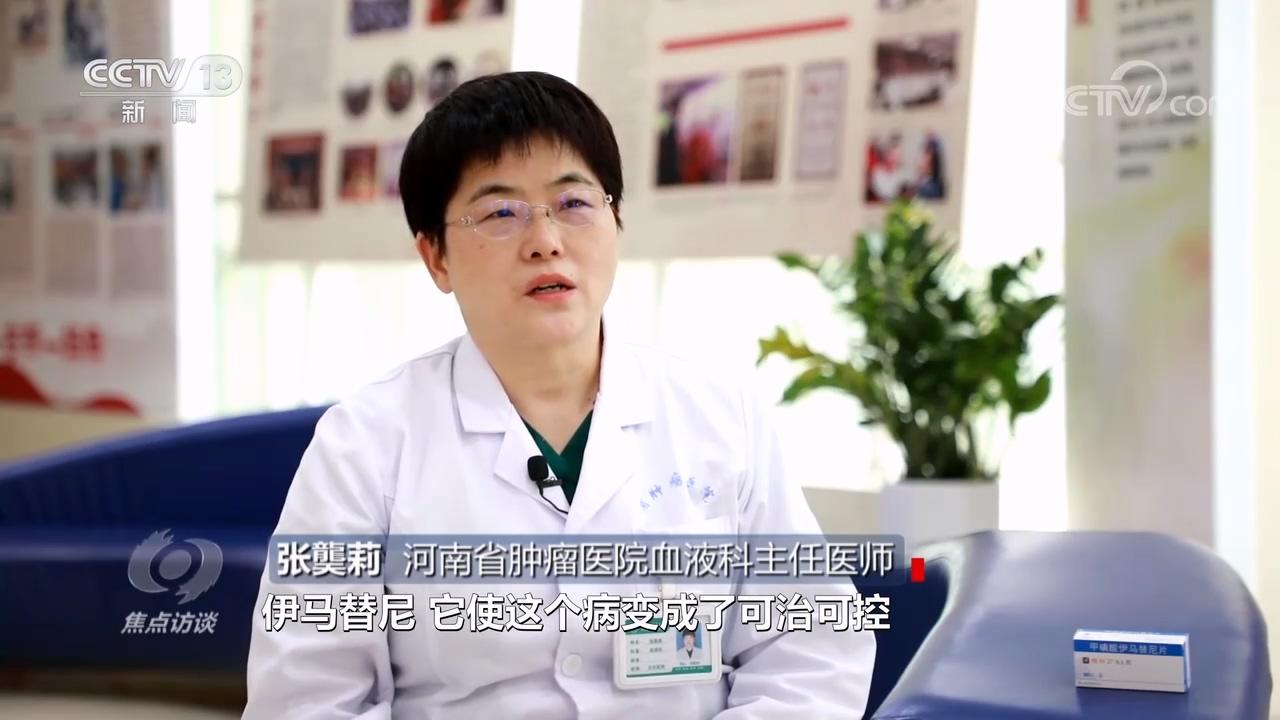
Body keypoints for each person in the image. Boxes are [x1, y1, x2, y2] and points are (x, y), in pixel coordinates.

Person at [243, 71, 875, 719]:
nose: (546, 240)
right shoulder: (366, 442)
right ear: (436, 257)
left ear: (616, 220)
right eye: (500, 213)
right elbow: (307, 699)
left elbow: (811, 657)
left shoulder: (720, 416)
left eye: (574, 203)